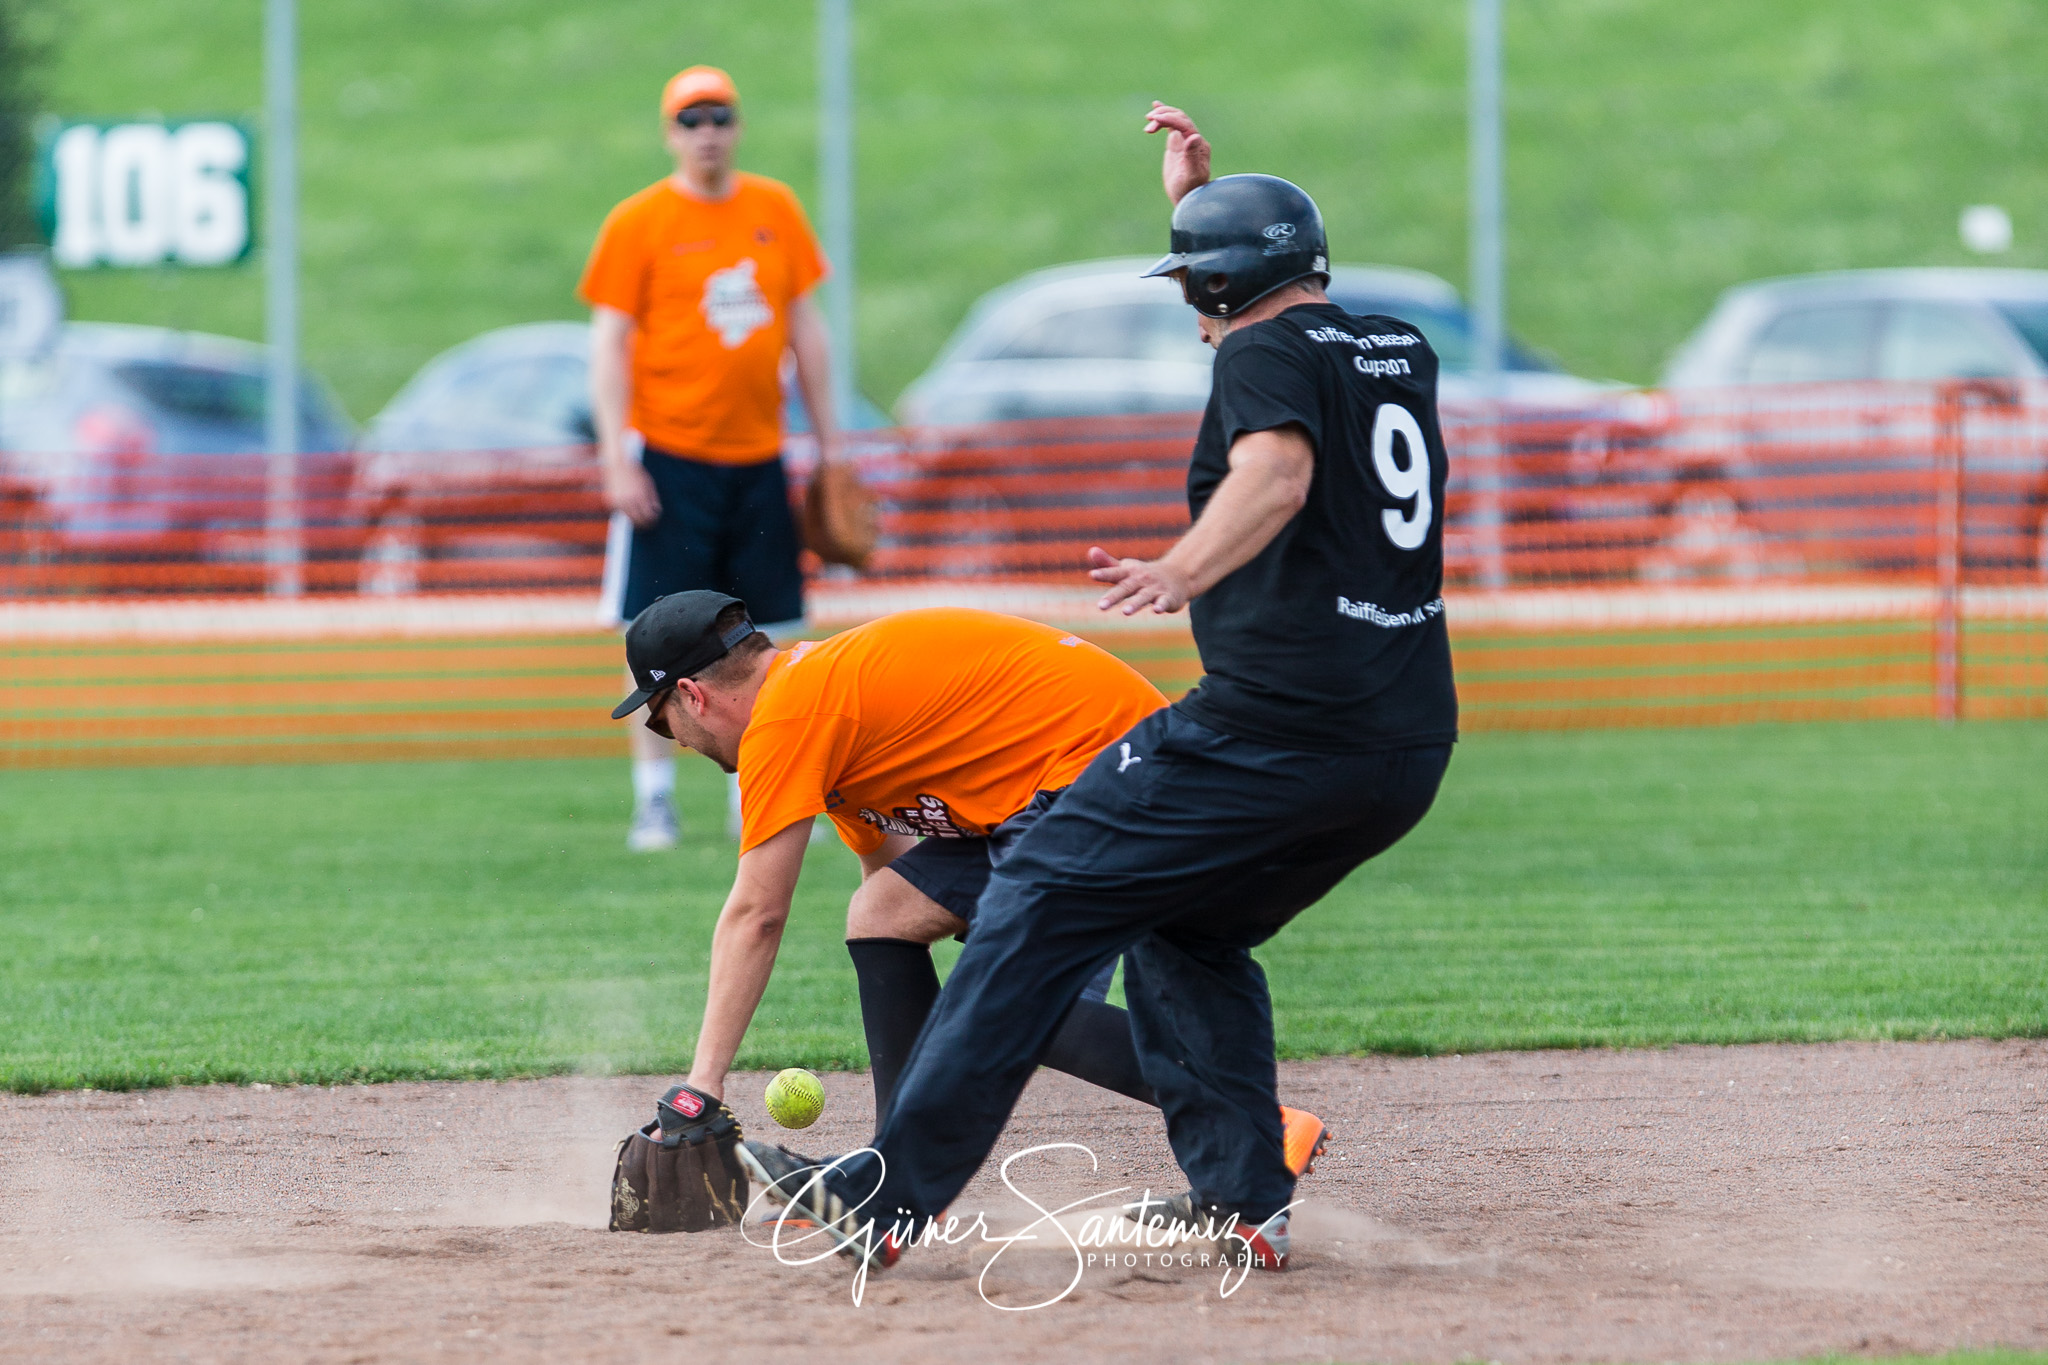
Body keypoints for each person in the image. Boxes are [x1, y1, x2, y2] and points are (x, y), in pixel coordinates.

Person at [739, 102, 1459, 1276]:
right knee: (1186, 928)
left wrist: (1179, 567)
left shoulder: (1261, 354)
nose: (1188, 305)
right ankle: (1242, 1198)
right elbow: (1281, 300)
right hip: (1401, 744)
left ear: (1221, 292)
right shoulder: (1392, 349)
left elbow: (1276, 471)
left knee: (1031, 905)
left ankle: (888, 1196)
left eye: (1192, 281)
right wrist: (1201, 208)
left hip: (1264, 734)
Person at [609, 591, 1331, 1169]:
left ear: (693, 697)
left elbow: (756, 914)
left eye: (662, 721)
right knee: (883, 913)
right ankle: (895, 1167)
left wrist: (701, 1085)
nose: (673, 739)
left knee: (1014, 995)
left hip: (1112, 777)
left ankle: (1255, 1126)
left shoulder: (788, 713)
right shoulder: (818, 699)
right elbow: (892, 883)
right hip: (1076, 783)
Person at [580, 65, 841, 851]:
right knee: (650, 634)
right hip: (671, 457)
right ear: (670, 132)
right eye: (691, 119)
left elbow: (806, 330)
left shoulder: (773, 209)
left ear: (737, 125)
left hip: (759, 454)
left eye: (719, 116)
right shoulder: (640, 221)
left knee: (775, 629)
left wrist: (830, 446)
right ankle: (653, 797)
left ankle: (764, 785)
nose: (707, 132)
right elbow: (609, 347)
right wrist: (615, 457)